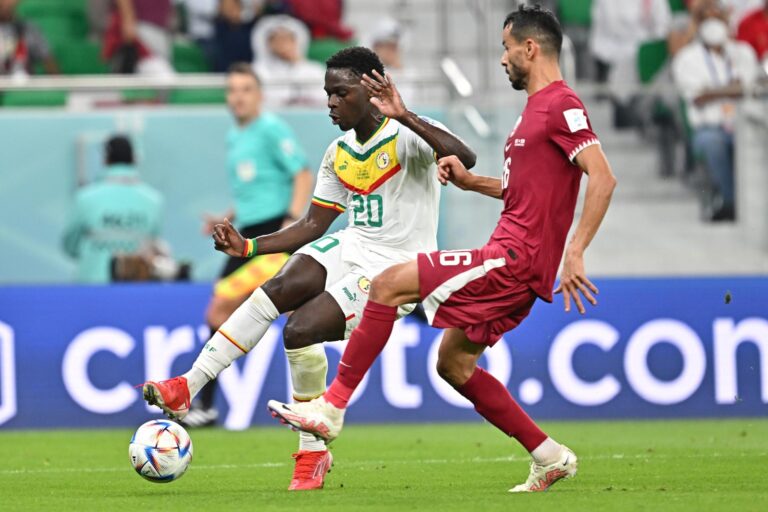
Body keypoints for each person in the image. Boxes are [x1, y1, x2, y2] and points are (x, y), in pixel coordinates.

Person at [267, 5, 617, 493]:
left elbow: (602, 176)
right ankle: (549, 456)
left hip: (514, 258)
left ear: (530, 48)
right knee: (453, 364)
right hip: (512, 254)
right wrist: (473, 182)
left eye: (506, 48)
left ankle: (332, 407)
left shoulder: (560, 104)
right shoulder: (535, 111)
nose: (502, 58)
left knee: (388, 284)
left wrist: (575, 251)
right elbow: (528, 193)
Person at [141, 47, 476, 490]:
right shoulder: (338, 152)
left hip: (396, 267)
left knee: (299, 330)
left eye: (340, 93)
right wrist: (248, 247)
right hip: (353, 244)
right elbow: (312, 225)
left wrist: (406, 115)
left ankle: (312, 452)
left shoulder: (409, 134)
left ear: (371, 90)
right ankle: (188, 385)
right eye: (327, 93)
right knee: (278, 287)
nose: (331, 103)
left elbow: (466, 157)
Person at [184, 62, 313, 427]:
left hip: (272, 234)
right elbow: (251, 193)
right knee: (294, 315)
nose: (237, 97)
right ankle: (312, 403)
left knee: (222, 309)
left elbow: (302, 173)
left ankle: (206, 404)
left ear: (260, 95)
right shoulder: (235, 136)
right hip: (248, 234)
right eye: (232, 90)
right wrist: (225, 217)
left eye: (245, 89)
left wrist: (291, 220)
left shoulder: (271, 128)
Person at [672, 4, 760, 220]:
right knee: (713, 144)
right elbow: (697, 97)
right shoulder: (687, 58)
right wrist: (733, 89)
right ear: (698, 25)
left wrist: (714, 90)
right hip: (709, 127)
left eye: (718, 19)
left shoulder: (743, 52)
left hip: (743, 124)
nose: (713, 25)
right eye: (707, 19)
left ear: (727, 23)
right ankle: (731, 203)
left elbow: (753, 88)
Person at [62, 136, 164, 283]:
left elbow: (70, 245)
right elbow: (154, 246)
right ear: (134, 160)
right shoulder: (154, 200)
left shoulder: (85, 198)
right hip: (136, 287)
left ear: (105, 160)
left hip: (91, 285)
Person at [251, 14, 326, 107]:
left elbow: (323, 100)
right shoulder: (256, 71)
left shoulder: (315, 70)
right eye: (276, 39)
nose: (282, 43)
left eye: (287, 38)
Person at [0, 0, 59, 76]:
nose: (4, 3)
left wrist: (58, 82)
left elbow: (49, 62)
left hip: (23, 80)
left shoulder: (29, 29)